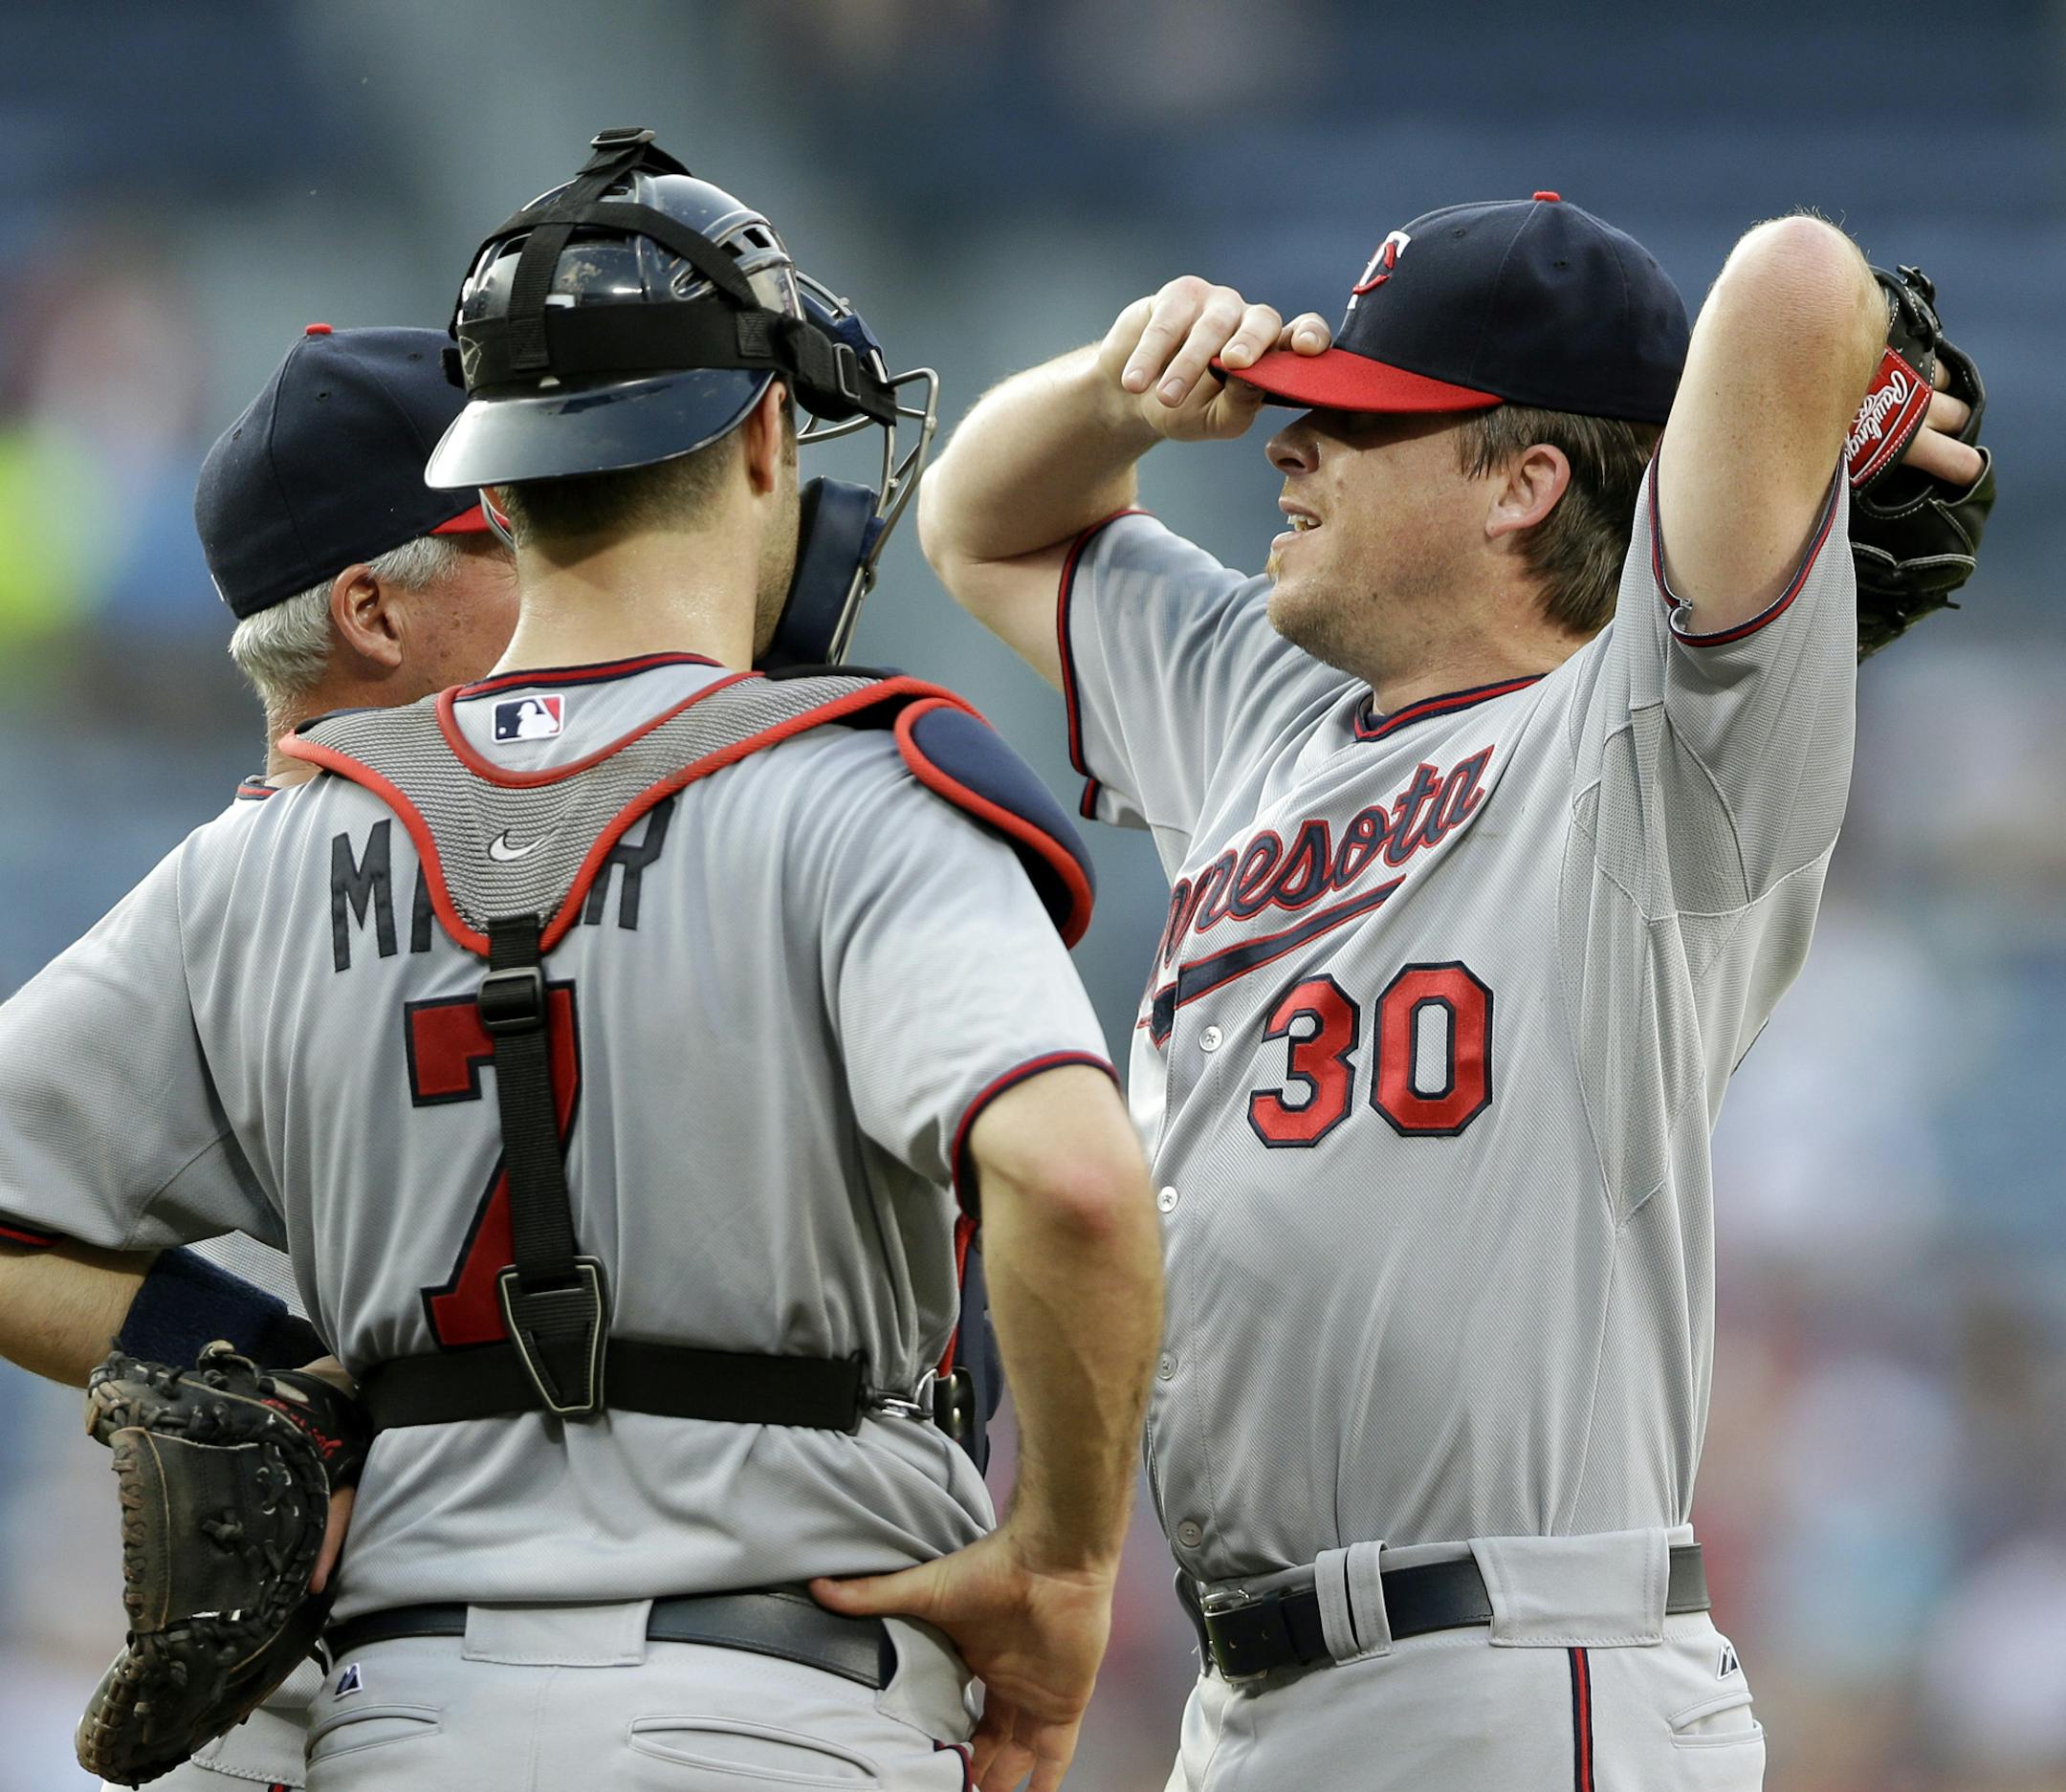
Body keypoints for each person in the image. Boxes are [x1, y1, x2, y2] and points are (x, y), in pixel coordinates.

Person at [0, 129, 1161, 1792]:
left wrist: (263, 1369)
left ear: (500, 478)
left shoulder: (263, 851)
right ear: (764, 435)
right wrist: (1058, 1571)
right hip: (788, 1701)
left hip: (403, 1721)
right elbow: (1079, 1183)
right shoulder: (862, 785)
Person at [917, 193, 1988, 1790]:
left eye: (1361, 426)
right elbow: (979, 522)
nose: (1289, 449)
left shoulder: (1655, 742)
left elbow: (1795, 281)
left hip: (1516, 1666)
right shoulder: (1258, 708)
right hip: (1253, 1691)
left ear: (1525, 483)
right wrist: (1116, 396)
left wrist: (1821, 427)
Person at [0, 320, 517, 1792]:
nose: (568, 574)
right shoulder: (230, 891)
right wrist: (266, 1362)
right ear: (371, 610)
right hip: (502, 1667)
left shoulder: (214, 889)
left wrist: (263, 1370)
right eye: (514, 536)